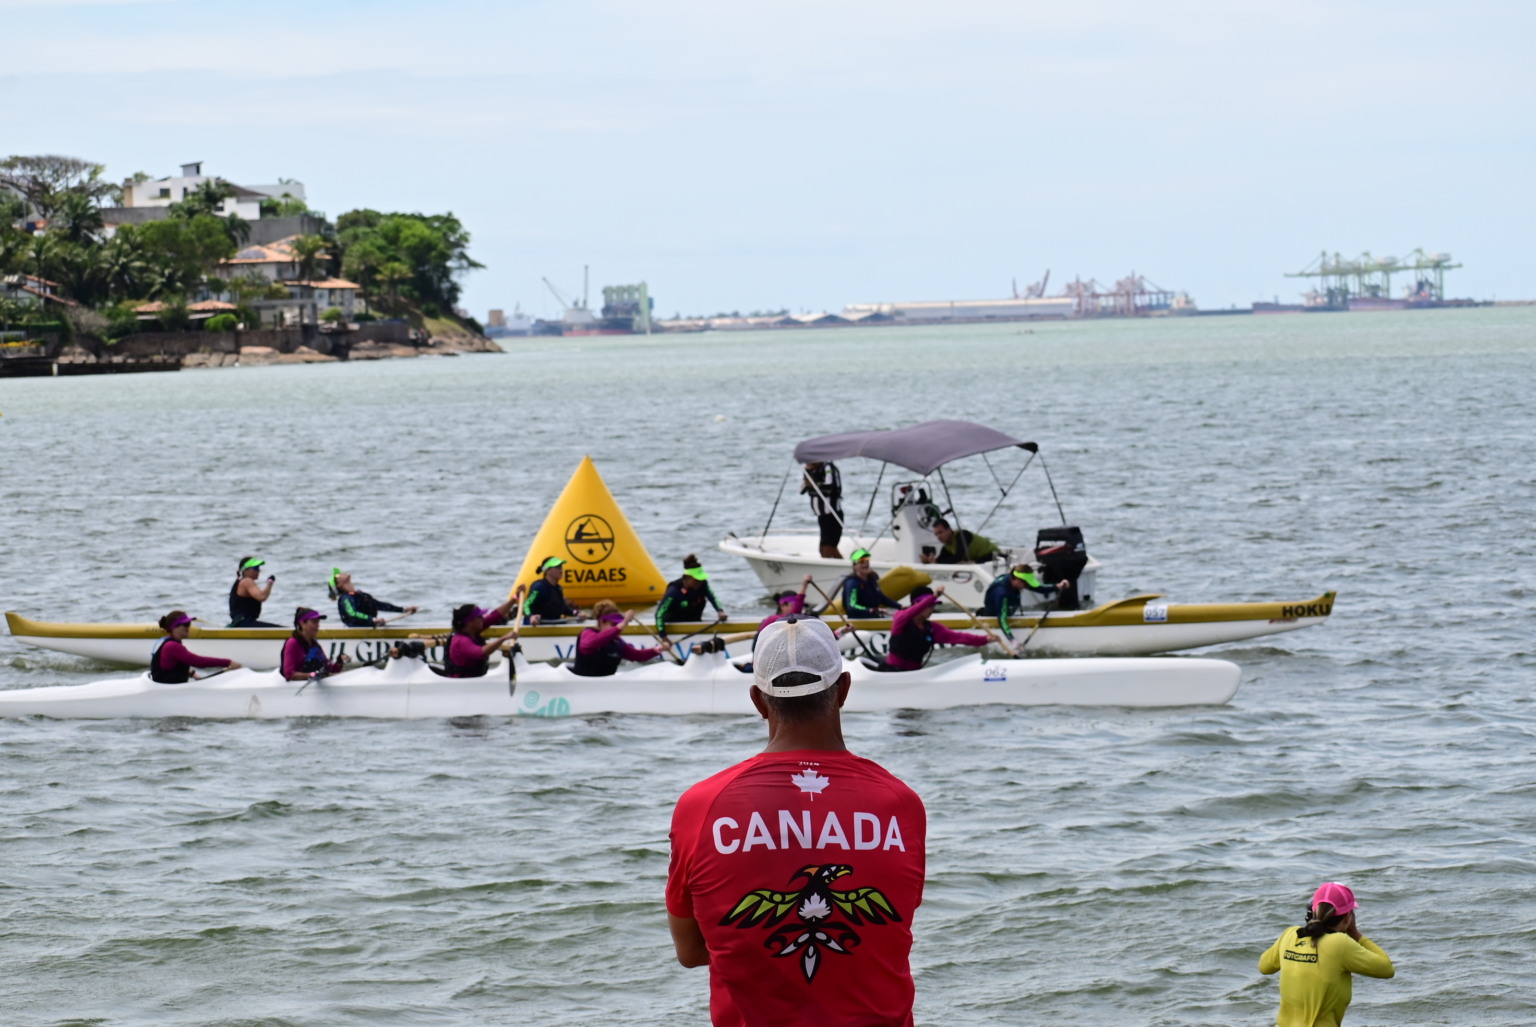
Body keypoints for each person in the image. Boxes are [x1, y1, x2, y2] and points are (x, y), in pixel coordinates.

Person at [666, 617, 927, 1025]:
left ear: (757, 700)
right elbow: (887, 932)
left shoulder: (702, 806)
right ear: (842, 690)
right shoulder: (900, 803)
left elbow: (693, 951)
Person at [1259, 882, 1394, 1027]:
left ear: (1313, 910)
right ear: (1348, 918)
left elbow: (1264, 967)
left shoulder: (1291, 934)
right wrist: (1355, 933)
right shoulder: (1340, 944)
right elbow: (1386, 969)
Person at [881, 586, 994, 671]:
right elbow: (910, 612)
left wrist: (985, 639)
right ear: (917, 604)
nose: (932, 609)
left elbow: (959, 637)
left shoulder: (932, 629)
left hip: (915, 674)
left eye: (933, 605)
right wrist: (933, 597)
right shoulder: (901, 620)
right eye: (930, 605)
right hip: (892, 672)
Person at [571, 600, 668, 676]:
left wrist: (658, 650)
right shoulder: (587, 633)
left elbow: (636, 655)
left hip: (604, 688)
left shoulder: (616, 643)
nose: (619, 628)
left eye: (619, 624)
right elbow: (591, 643)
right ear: (602, 622)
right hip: (582, 685)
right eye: (614, 624)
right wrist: (621, 625)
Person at [442, 590, 522, 678]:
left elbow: (495, 615)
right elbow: (481, 653)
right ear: (469, 622)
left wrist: (515, 598)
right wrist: (504, 638)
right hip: (461, 684)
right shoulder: (461, 640)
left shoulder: (472, 630)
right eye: (479, 617)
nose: (483, 618)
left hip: (474, 680)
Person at [979, 565, 1065, 644]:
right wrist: (1013, 641)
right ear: (1016, 579)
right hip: (994, 616)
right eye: (1025, 583)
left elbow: (1038, 588)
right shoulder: (1002, 592)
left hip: (1006, 612)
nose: (1026, 586)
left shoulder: (1018, 581)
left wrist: (1057, 586)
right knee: (1003, 613)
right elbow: (1002, 619)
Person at [150, 610, 242, 683]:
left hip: (168, 687)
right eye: (186, 624)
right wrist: (228, 662)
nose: (188, 627)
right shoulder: (172, 646)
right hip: (169, 692)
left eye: (189, 624)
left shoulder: (165, 641)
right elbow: (199, 662)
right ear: (174, 627)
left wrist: (192, 674)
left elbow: (171, 665)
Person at [656, 555, 728, 638]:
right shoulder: (674, 590)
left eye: (701, 579)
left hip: (695, 625)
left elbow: (713, 598)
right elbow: (659, 614)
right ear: (687, 578)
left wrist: (720, 611)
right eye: (697, 580)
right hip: (674, 629)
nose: (700, 582)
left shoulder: (703, 585)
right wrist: (663, 637)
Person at [329, 568, 418, 628]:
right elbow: (352, 613)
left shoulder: (360, 595)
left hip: (369, 627)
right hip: (357, 630)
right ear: (339, 585)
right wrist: (372, 619)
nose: (341, 573)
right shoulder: (345, 598)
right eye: (337, 576)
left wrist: (404, 610)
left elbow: (379, 605)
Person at [281, 607, 350, 681]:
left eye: (318, 622)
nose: (318, 626)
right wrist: (313, 674)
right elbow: (289, 674)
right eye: (314, 622)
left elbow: (331, 669)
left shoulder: (315, 645)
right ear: (302, 623)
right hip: (294, 685)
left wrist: (339, 661)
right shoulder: (292, 643)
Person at [801, 460, 843, 559]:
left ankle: (840, 566)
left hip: (832, 514)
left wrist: (813, 485)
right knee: (825, 547)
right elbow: (801, 489)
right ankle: (839, 565)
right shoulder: (811, 471)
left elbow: (830, 488)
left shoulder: (828, 468)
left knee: (828, 547)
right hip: (822, 515)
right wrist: (807, 472)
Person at [841, 548, 900, 618]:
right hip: (858, 620)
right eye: (861, 561)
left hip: (873, 617)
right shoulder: (852, 583)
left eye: (866, 559)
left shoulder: (871, 580)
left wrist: (900, 606)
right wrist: (871, 610)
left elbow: (882, 598)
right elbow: (851, 607)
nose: (865, 563)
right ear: (854, 566)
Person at [524, 556, 582, 625]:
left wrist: (577, 613)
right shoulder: (539, 587)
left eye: (561, 567)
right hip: (537, 625)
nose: (561, 570)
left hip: (552, 623)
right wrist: (531, 616)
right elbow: (526, 605)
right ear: (548, 571)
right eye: (557, 567)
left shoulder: (558, 588)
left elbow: (563, 608)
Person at [228, 556, 277, 627]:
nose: (258, 571)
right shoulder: (247, 581)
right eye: (255, 568)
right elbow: (262, 597)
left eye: (258, 568)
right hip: (245, 623)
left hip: (241, 622)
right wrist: (270, 583)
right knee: (288, 632)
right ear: (245, 570)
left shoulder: (240, 582)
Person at [930, 518, 998, 564]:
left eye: (940, 532)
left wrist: (937, 563)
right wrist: (929, 561)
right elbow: (940, 561)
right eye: (936, 534)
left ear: (949, 530)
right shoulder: (946, 547)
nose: (938, 537)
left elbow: (959, 556)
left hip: (993, 555)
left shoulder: (963, 535)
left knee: (971, 563)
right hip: (978, 560)